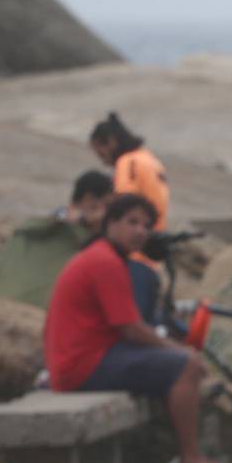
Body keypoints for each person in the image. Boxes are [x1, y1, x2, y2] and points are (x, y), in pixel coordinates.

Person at [43, 193, 232, 463]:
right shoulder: (105, 262)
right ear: (111, 223)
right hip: (82, 365)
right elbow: (130, 328)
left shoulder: (103, 256)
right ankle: (191, 461)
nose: (140, 232)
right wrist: (179, 350)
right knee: (186, 367)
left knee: (176, 360)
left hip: (83, 359)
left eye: (146, 226)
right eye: (132, 222)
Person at [0, 171, 111, 308]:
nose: (107, 211)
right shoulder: (62, 224)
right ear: (87, 200)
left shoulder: (41, 224)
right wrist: (84, 222)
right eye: (107, 204)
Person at [89, 114, 170, 321]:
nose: (103, 161)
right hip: (151, 252)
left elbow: (123, 207)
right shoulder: (150, 160)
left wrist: (89, 219)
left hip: (135, 255)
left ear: (111, 142)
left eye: (101, 153)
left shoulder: (128, 162)